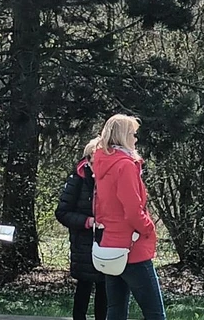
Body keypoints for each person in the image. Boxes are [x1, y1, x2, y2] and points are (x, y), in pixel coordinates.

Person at [90, 114, 165, 320]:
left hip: (110, 246)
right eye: (133, 134)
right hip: (133, 246)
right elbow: (132, 210)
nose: (136, 139)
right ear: (123, 136)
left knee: (115, 309)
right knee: (155, 313)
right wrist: (148, 228)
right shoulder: (126, 166)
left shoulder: (102, 164)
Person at [55, 143, 108, 320]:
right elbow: (62, 213)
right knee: (84, 286)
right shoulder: (77, 179)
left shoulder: (111, 177)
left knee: (105, 287)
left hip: (107, 241)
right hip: (83, 242)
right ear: (87, 160)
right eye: (95, 160)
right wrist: (87, 222)